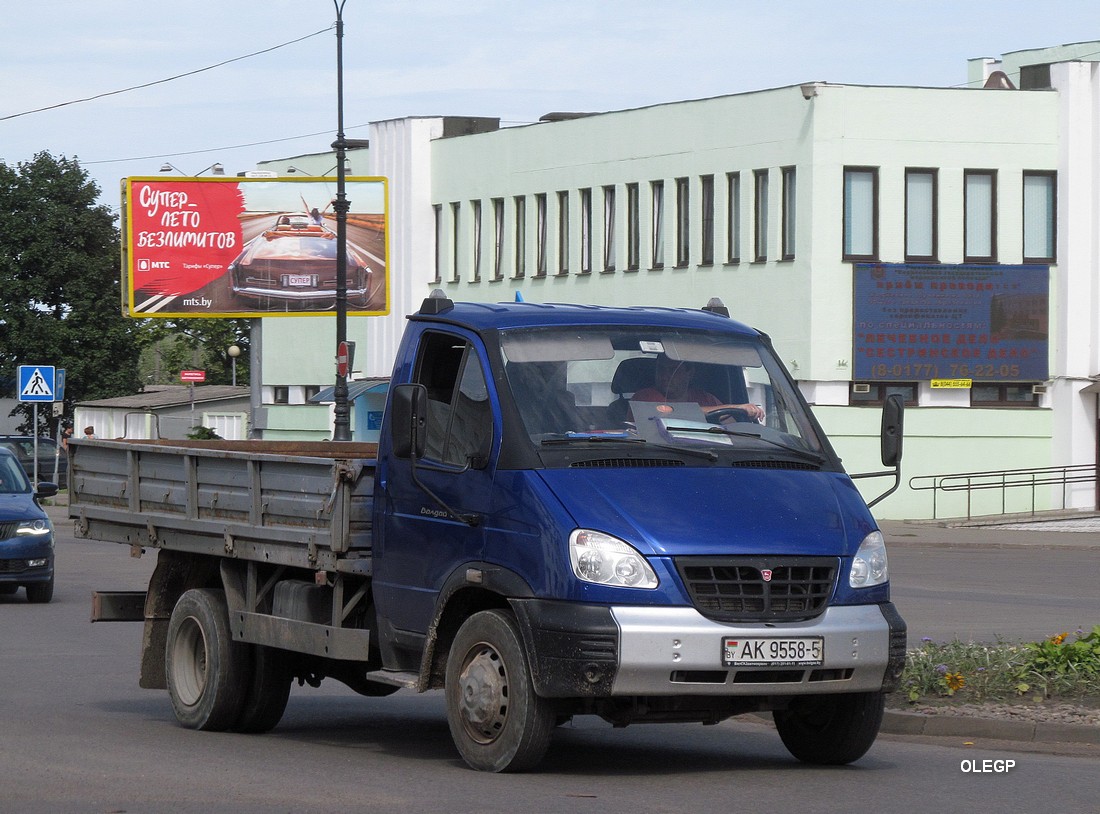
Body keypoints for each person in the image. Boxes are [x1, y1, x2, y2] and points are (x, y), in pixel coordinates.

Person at [631, 355, 765, 422]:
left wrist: (745, 414)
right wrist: (737, 407)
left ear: (690, 373)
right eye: (661, 369)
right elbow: (674, 413)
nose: (665, 376)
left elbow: (731, 425)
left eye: (672, 370)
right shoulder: (644, 397)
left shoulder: (706, 399)